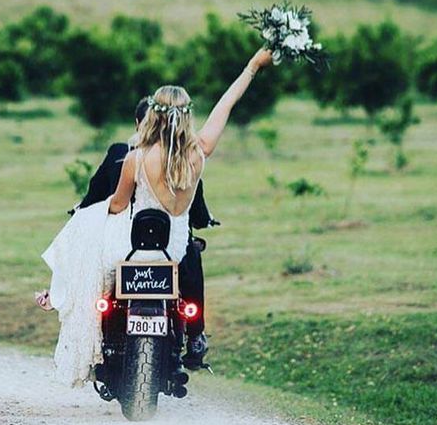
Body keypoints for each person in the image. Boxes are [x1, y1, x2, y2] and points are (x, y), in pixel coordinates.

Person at [39, 47, 273, 387]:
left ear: (153, 117)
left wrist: (90, 215)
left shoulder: (136, 158)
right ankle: (193, 338)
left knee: (87, 247)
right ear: (188, 116)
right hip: (173, 251)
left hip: (130, 248)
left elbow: (117, 205)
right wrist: (253, 66)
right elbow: (227, 104)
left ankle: (59, 298)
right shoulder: (199, 152)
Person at [75, 96, 217, 369]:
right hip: (169, 245)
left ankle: (94, 335)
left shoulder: (122, 154)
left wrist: (86, 212)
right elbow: (195, 202)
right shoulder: (183, 158)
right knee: (191, 258)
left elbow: (100, 196)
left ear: (141, 122)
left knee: (97, 281)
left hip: (126, 244)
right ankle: (195, 334)